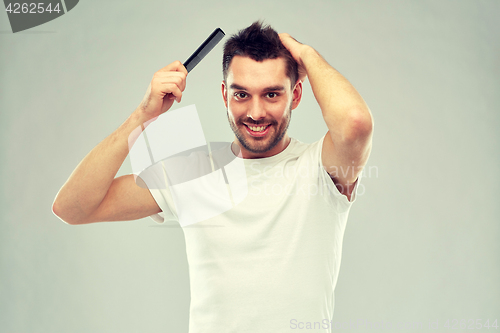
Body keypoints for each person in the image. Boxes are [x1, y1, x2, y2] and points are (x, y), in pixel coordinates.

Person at [53, 21, 373, 332]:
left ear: (296, 95)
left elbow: (355, 123)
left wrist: (306, 55)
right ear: (224, 95)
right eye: (241, 94)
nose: (256, 112)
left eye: (272, 94)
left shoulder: (321, 166)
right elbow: (73, 208)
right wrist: (143, 116)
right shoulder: (192, 171)